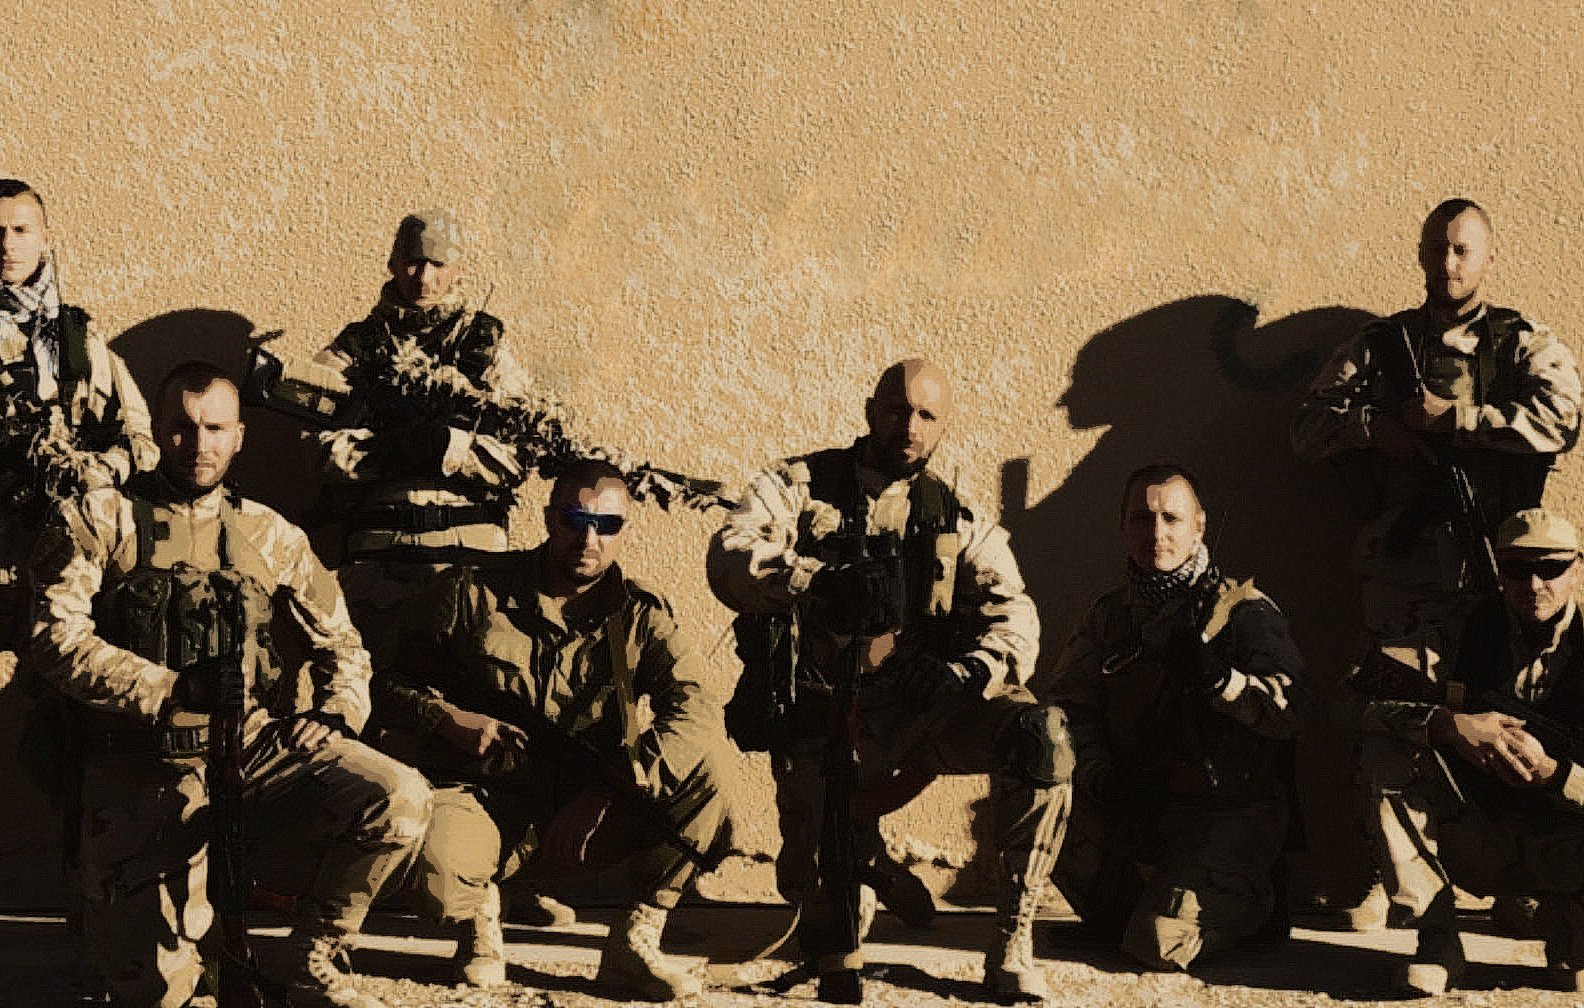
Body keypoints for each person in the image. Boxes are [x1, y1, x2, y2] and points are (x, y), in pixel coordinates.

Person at [28, 363, 432, 1008]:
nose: (199, 445)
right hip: (138, 766)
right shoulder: (97, 519)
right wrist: (168, 687)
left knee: (399, 796)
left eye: (215, 428)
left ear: (239, 436)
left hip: (248, 749)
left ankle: (312, 952)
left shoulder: (272, 535)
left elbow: (343, 645)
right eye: (182, 428)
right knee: (159, 991)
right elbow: (53, 639)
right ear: (157, 433)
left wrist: (334, 713)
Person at [706, 357, 1067, 1002]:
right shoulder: (803, 484)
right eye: (898, 410)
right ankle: (864, 859)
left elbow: (1016, 615)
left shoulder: (956, 515)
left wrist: (966, 673)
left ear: (944, 427)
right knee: (821, 920)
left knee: (1041, 735)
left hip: (923, 708)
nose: (910, 426)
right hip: (823, 713)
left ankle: (1013, 939)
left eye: (927, 415)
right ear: (872, 410)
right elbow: (730, 553)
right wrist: (813, 582)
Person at [1291, 198, 1582, 927]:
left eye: (1463, 250)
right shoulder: (1382, 344)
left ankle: (1521, 868)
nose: (1448, 264)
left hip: (1500, 571)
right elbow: (1306, 426)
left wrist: (1459, 419)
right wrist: (1375, 428)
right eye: (1437, 249)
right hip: (1406, 576)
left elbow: (1564, 418)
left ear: (1488, 256)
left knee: (1516, 712)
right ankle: (1383, 871)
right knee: (1396, 711)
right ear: (1421, 255)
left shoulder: (1520, 343)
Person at [377, 458, 733, 999]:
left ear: (623, 532)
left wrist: (606, 789)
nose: (588, 538)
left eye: (606, 525)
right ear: (548, 519)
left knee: (710, 774)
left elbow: (696, 707)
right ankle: (480, 916)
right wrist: (446, 720)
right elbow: (383, 683)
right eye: (574, 519)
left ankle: (633, 943)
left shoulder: (638, 615)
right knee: (438, 877)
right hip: (485, 798)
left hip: (583, 814)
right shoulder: (473, 593)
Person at [309, 210, 575, 928]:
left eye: (436, 264)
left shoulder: (487, 348)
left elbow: (520, 451)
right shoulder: (358, 348)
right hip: (380, 566)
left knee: (489, 707)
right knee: (376, 710)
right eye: (411, 261)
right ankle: (371, 874)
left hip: (470, 568)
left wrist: (449, 448)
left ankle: (489, 872)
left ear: (459, 268)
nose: (422, 277)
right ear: (392, 262)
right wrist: (397, 450)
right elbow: (324, 443)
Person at [1049, 464, 1309, 971]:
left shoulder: (1242, 612)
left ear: (1199, 527)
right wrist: (1101, 778)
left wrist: (1222, 682)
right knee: (1035, 767)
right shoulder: (1109, 616)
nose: (1157, 533)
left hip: (1224, 812)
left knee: (1156, 943)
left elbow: (1295, 711)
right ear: (1124, 529)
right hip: (1141, 803)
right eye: (1142, 520)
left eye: (1171, 518)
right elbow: (1069, 709)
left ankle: (1257, 902)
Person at [1355, 507, 1584, 995]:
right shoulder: (1454, 631)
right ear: (1498, 570)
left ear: (1577, 569)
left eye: (1552, 568)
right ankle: (1437, 941)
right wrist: (1447, 725)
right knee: (1389, 754)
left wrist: (1555, 773)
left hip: (1563, 843)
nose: (1535, 584)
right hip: (1477, 829)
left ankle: (1570, 933)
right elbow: (1356, 700)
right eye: (1518, 569)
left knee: (1575, 978)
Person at [0, 177, 156, 658]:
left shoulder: (77, 337)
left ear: (45, 237)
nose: (7, 245)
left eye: (21, 229)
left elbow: (141, 442)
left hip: (75, 561)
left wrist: (94, 471)